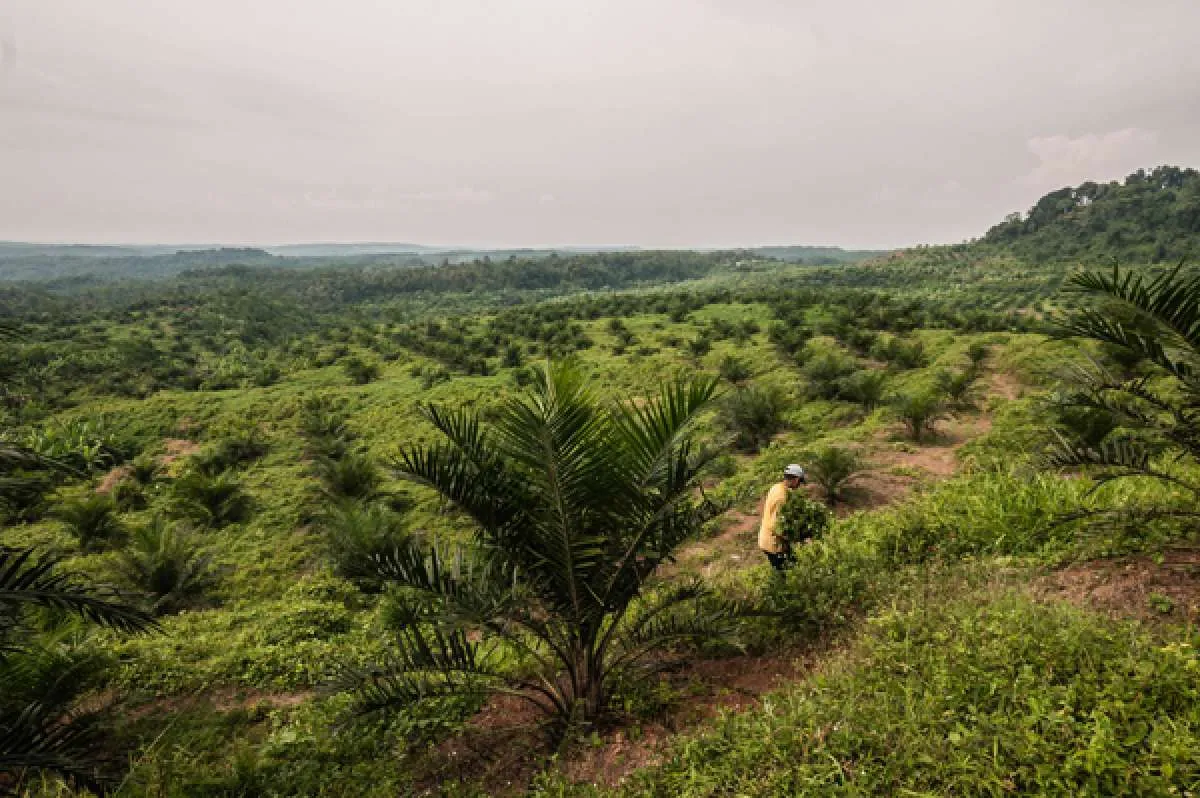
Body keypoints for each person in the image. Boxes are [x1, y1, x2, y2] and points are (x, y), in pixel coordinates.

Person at [758, 463, 806, 571]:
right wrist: (794, 538)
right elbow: (776, 526)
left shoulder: (776, 487)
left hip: (767, 538)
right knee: (786, 573)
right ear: (795, 479)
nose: (799, 485)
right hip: (773, 544)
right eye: (800, 481)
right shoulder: (781, 497)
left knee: (792, 566)